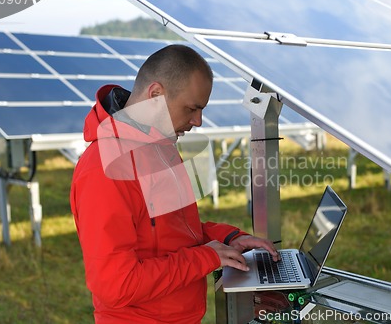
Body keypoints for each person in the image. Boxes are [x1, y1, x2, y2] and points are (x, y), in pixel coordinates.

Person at [70, 44, 279, 324]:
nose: (198, 121)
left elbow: (177, 232)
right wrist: (206, 257)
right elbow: (116, 286)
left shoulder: (160, 145)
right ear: (155, 94)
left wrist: (230, 239)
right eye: (192, 109)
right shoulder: (104, 171)